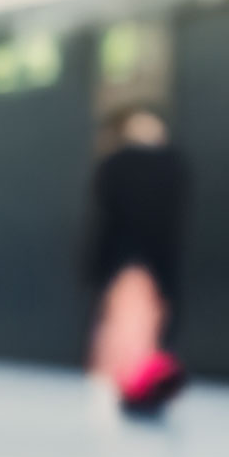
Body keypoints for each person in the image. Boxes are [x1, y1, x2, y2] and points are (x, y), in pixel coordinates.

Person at [86, 108, 189, 416]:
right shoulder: (162, 166)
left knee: (138, 330)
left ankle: (141, 388)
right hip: (140, 262)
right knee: (135, 331)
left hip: (137, 262)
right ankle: (139, 387)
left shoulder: (119, 166)